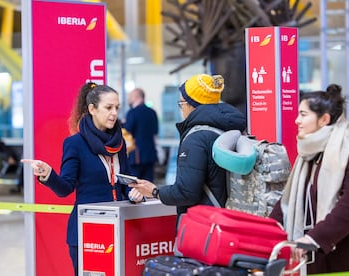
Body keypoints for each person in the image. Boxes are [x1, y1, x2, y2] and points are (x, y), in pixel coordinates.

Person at [22, 82, 142, 276]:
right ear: (92, 109)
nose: (114, 113)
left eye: (117, 108)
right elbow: (65, 188)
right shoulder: (75, 143)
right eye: (108, 107)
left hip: (119, 228)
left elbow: (123, 181)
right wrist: (48, 174)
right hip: (87, 232)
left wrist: (133, 193)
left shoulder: (119, 144)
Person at [269, 84, 349, 274]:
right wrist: (266, 231)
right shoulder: (308, 155)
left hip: (348, 261)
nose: (296, 120)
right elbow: (289, 201)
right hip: (315, 260)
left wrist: (314, 239)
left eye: (303, 114)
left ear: (324, 119)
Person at [128, 74, 246, 224]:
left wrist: (154, 191)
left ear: (193, 104)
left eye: (182, 103)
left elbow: (186, 192)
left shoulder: (196, 138)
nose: (181, 108)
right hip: (227, 217)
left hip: (203, 225)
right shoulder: (228, 129)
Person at [123, 88, 159, 181]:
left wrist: (122, 123)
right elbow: (155, 132)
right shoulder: (152, 112)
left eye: (130, 96)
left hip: (136, 155)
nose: (129, 99)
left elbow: (127, 131)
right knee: (148, 185)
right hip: (150, 154)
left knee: (134, 185)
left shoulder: (132, 113)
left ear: (136, 97)